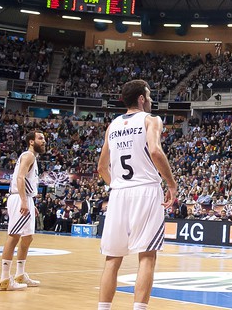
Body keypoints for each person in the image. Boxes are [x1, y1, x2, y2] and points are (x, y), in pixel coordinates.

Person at [97, 79, 178, 310]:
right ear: (141, 98)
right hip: (145, 191)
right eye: (149, 95)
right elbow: (154, 150)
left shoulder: (112, 126)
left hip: (119, 193)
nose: (151, 99)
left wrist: (119, 185)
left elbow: (102, 168)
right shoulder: (151, 119)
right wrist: (171, 184)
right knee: (147, 256)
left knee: (112, 259)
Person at [0, 131, 46, 291]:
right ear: (31, 142)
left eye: (44, 139)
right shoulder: (28, 156)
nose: (44, 141)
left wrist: (31, 203)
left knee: (27, 238)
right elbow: (20, 178)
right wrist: (24, 201)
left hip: (26, 198)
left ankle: (20, 274)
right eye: (40, 138)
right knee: (13, 237)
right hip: (19, 198)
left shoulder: (33, 157)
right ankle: (5, 279)